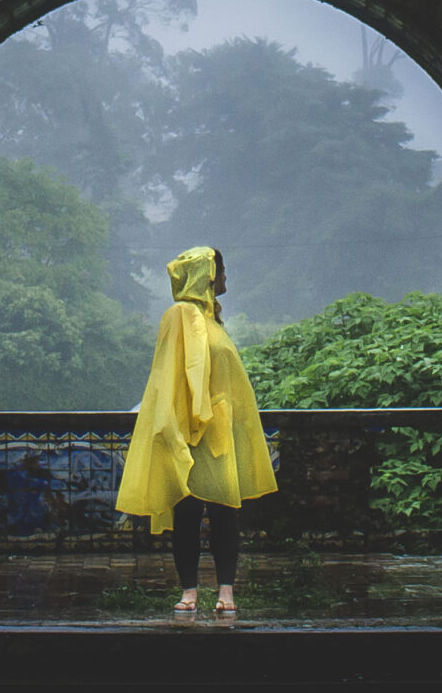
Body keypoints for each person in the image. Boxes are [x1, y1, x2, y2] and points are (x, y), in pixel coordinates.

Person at [114, 246, 277, 615]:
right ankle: (189, 591)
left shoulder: (213, 320)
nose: (225, 278)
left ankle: (226, 591)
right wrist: (174, 426)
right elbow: (168, 374)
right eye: (221, 271)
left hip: (218, 435)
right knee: (186, 512)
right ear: (207, 275)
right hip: (188, 431)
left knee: (224, 511)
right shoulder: (181, 314)